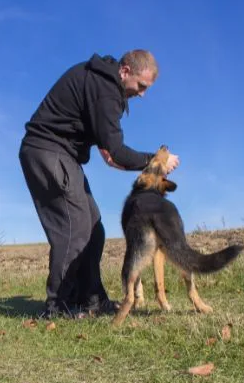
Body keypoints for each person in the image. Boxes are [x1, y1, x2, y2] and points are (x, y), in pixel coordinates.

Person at [19, 50, 179, 318]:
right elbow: (117, 152)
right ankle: (58, 305)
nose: (142, 94)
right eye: (141, 86)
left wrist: (116, 153)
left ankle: (92, 300)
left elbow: (110, 153)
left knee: (95, 228)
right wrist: (157, 160)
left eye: (146, 89)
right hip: (47, 151)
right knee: (76, 227)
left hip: (62, 154)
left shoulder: (103, 84)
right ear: (125, 71)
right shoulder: (105, 90)